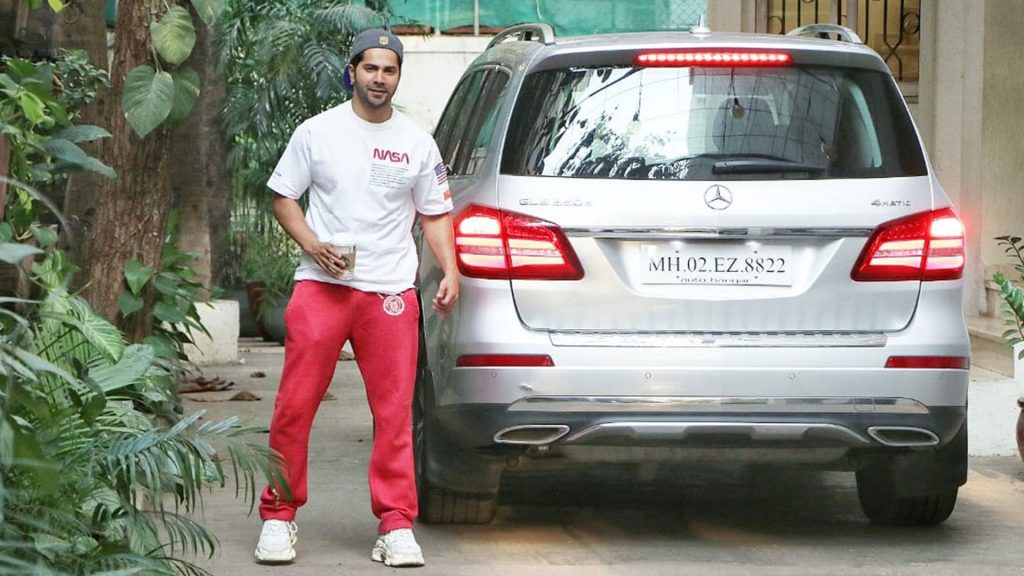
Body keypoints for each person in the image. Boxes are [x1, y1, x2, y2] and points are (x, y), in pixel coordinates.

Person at [253, 28, 459, 568]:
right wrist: (312, 244)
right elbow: (283, 197)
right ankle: (277, 516)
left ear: (397, 77)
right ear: (352, 71)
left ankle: (395, 525)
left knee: (392, 413)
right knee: (294, 407)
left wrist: (450, 271)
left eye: (389, 70)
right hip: (322, 288)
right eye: (370, 68)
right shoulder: (317, 132)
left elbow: (435, 213)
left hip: (389, 292)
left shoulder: (416, 140)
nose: (379, 78)